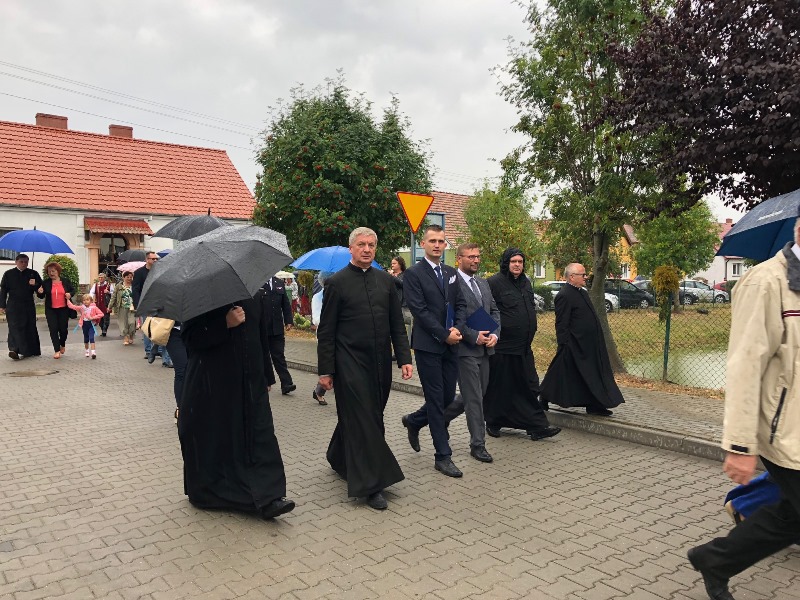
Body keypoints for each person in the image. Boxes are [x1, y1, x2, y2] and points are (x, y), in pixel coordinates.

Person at [686, 232, 800, 600]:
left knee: (791, 516)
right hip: (784, 433)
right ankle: (716, 559)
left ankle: (715, 560)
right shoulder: (765, 282)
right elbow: (744, 367)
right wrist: (739, 445)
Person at [317, 227, 413, 510]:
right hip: (349, 363)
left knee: (368, 415)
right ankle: (372, 485)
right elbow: (326, 331)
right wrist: (326, 370)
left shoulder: (386, 282)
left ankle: (338, 456)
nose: (367, 249)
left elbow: (397, 324)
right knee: (365, 419)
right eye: (361, 244)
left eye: (371, 245)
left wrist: (405, 358)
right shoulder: (336, 283)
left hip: (380, 363)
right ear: (351, 248)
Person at [180, 298, 294, 520]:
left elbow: (261, 335)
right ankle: (215, 494)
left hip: (251, 381)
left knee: (260, 435)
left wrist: (267, 375)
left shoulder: (253, 294)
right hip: (214, 384)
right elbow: (190, 339)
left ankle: (269, 497)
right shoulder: (201, 298)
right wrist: (224, 324)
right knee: (220, 438)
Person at [401, 224, 467, 478]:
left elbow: (461, 304)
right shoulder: (414, 274)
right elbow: (419, 310)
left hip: (452, 344)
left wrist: (458, 328)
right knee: (436, 400)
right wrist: (443, 334)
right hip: (428, 346)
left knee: (447, 397)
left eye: (441, 241)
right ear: (423, 244)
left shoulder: (451, 272)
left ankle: (414, 421)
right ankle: (443, 456)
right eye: (433, 241)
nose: (437, 245)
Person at [484, 248, 562, 441]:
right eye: (513, 261)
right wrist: (488, 336)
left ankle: (535, 426)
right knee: (501, 388)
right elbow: (482, 311)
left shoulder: (526, 282)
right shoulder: (494, 283)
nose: (517, 265)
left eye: (520, 261)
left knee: (530, 385)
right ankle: (494, 422)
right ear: (506, 263)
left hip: (524, 347)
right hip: (503, 348)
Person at [440, 243, 501, 463]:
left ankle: (439, 418)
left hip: (485, 349)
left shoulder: (483, 283)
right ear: (459, 259)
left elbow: (494, 311)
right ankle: (478, 445)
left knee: (476, 394)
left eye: (478, 256)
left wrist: (495, 334)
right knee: (474, 399)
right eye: (471, 257)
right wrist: (473, 336)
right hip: (464, 350)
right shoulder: (452, 284)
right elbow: (452, 319)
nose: (476, 260)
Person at [540, 263, 624, 416]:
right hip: (574, 344)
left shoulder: (583, 293)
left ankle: (594, 405)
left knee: (591, 374)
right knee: (560, 371)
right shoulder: (564, 295)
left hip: (589, 345)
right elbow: (562, 322)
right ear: (572, 277)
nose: (586, 277)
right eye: (583, 275)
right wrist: (563, 343)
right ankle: (544, 396)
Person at [255, 276, 296, 395]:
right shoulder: (257, 283)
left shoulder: (279, 282)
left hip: (277, 328)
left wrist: (288, 321)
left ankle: (286, 384)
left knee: (279, 356)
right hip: (262, 328)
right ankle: (265, 382)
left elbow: (285, 304)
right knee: (263, 356)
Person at [0, 254, 43, 360]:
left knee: (29, 326)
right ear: (16, 262)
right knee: (14, 327)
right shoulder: (8, 274)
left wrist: (35, 285)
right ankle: (14, 350)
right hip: (13, 305)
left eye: (26, 262)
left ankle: (30, 350)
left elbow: (41, 293)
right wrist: (2, 305)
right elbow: (3, 290)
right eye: (21, 262)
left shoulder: (33, 274)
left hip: (28, 305)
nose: (24, 264)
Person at [132, 251, 172, 367]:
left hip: (160, 304)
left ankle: (162, 354)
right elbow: (135, 290)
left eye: (156, 259)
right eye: (153, 259)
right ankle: (149, 350)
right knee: (148, 328)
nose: (155, 261)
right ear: (147, 260)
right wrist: (138, 305)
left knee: (162, 328)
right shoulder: (139, 273)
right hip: (146, 304)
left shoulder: (161, 271)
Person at [36, 261, 75, 359]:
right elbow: (41, 296)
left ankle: (62, 344)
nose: (51, 273)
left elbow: (73, 290)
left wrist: (70, 294)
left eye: (53, 271)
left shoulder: (65, 281)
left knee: (63, 330)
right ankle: (57, 350)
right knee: (53, 329)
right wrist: (39, 292)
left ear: (58, 271)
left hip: (63, 309)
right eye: (49, 271)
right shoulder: (46, 283)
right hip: (51, 310)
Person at [310, 271, 333, 406]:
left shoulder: (341, 295)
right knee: (330, 366)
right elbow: (316, 319)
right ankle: (319, 391)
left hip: (341, 336)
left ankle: (319, 391)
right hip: (325, 336)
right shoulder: (318, 297)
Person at [66, 293, 104, 359]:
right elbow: (72, 306)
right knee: (86, 338)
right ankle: (87, 351)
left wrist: (92, 318)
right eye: (84, 300)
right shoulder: (82, 308)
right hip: (84, 324)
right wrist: (67, 299)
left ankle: (93, 353)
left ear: (91, 301)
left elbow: (101, 314)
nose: (85, 301)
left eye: (87, 300)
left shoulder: (94, 308)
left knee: (91, 338)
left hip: (91, 325)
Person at [108, 271, 136, 345]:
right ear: (123, 277)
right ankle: (126, 337)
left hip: (132, 307)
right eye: (127, 277)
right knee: (123, 324)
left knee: (132, 323)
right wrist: (110, 306)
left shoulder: (134, 285)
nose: (129, 278)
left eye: (131, 277)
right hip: (121, 307)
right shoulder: (119, 286)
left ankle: (131, 335)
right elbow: (113, 297)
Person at [390, 256, 412, 342]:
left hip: (403, 306)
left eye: (394, 263)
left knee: (402, 327)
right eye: (391, 263)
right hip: (392, 304)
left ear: (400, 264)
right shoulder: (390, 275)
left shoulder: (406, 274)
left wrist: (393, 277)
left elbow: (404, 285)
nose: (392, 265)